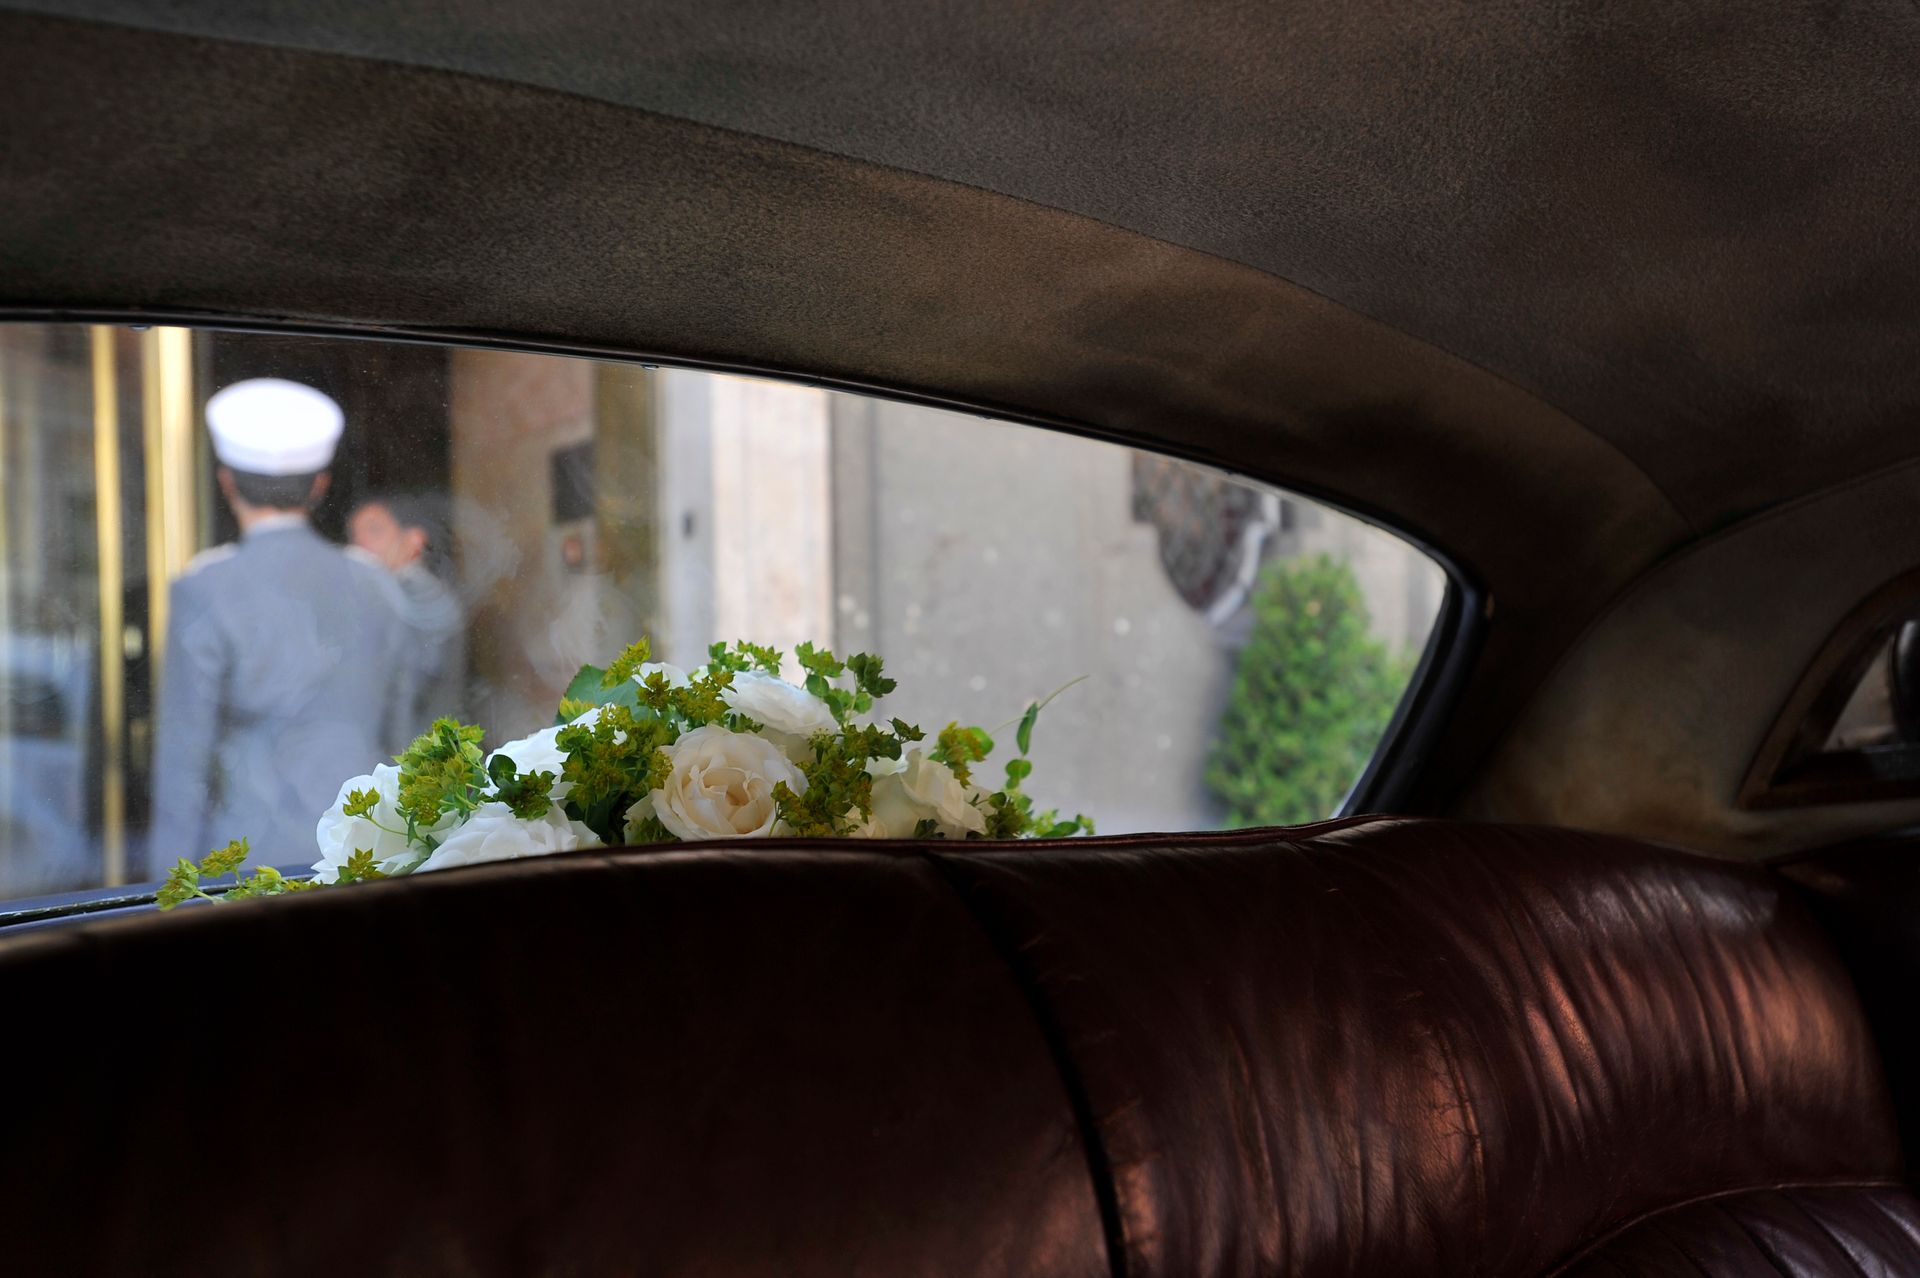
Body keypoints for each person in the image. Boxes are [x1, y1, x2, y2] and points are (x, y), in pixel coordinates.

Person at [149, 379, 416, 874]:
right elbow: (405, 734)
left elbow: (183, 767)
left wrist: (167, 897)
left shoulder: (205, 587)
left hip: (252, 868)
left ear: (225, 481)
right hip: (373, 853)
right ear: (320, 485)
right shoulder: (376, 584)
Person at [348, 493, 467, 737]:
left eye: (375, 531)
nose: (361, 544)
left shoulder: (421, 594)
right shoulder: (396, 595)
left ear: (414, 540)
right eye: (355, 535)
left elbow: (404, 682)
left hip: (417, 755)